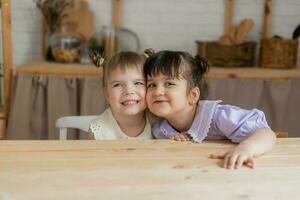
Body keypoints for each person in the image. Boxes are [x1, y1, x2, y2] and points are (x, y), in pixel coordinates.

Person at [143, 50, 276, 169]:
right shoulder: (159, 129)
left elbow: (265, 133)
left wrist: (246, 149)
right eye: (152, 85)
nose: (157, 91)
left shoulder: (218, 116)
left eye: (169, 84)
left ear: (193, 95)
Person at [88, 51, 153, 140]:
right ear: (107, 93)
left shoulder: (159, 121)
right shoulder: (98, 131)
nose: (129, 91)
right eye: (117, 85)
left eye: (138, 83)